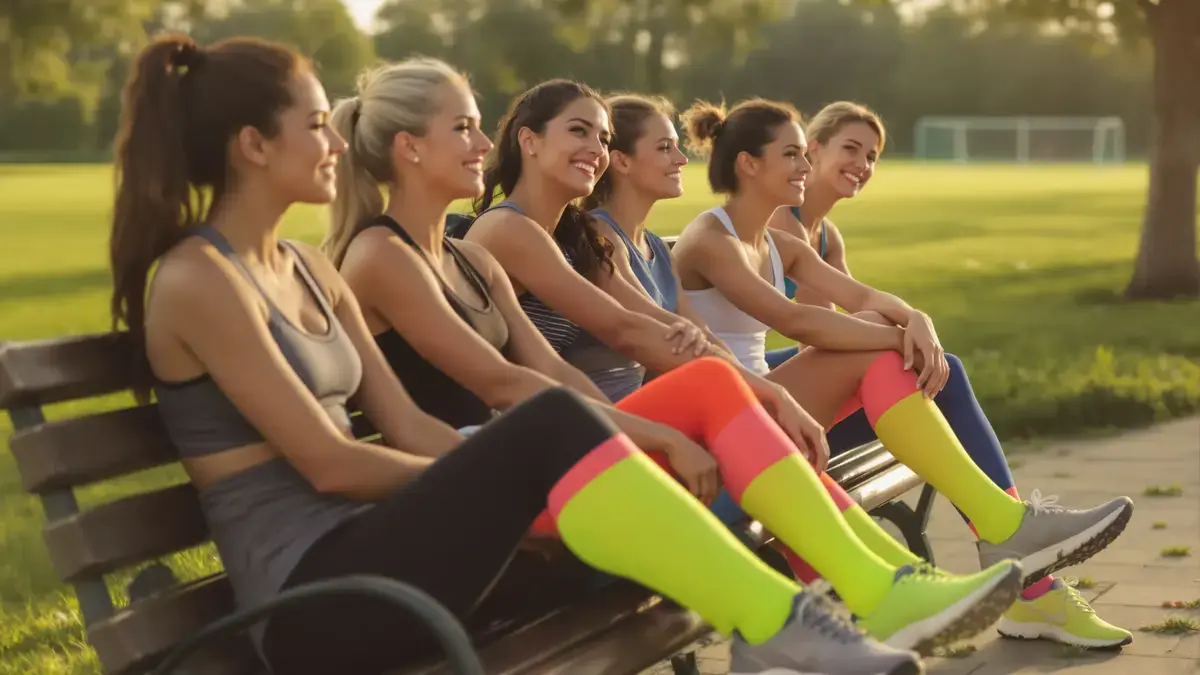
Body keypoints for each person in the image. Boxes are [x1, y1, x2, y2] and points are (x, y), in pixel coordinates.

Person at [108, 34, 955, 675]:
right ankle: (786, 624)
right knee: (549, 425)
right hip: (318, 604)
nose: (336, 143)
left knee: (562, 426)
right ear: (253, 146)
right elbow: (331, 464)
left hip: (396, 560)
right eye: (318, 125)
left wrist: (526, 464)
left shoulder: (304, 269)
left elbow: (402, 423)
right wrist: (507, 467)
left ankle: (796, 616)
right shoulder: (198, 281)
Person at [320, 62, 1027, 665]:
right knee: (715, 388)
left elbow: (557, 374)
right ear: (409, 148)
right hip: (491, 493)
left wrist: (754, 399)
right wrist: (657, 432)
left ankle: (883, 584)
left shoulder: (470, 252)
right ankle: (878, 589)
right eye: (464, 128)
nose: (483, 141)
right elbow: (507, 381)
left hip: (546, 459)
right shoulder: (389, 254)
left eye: (480, 125)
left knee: (716, 383)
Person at [658, 95, 1134, 600]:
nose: (805, 165)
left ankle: (997, 535)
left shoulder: (779, 244)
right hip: (723, 414)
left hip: (757, 396)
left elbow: (862, 298)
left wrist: (917, 320)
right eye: (793, 155)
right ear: (749, 164)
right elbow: (795, 319)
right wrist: (896, 336)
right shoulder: (712, 238)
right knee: (885, 354)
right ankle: (1003, 531)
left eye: (804, 154)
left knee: (893, 347)